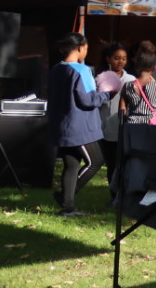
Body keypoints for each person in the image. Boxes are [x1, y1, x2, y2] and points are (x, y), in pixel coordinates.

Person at [46, 33, 111, 216]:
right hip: (79, 127)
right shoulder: (81, 70)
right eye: (87, 48)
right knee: (95, 161)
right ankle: (65, 196)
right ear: (81, 48)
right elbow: (87, 100)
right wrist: (107, 94)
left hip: (62, 124)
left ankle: (68, 207)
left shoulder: (57, 68)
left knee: (72, 164)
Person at [94, 42, 134, 180]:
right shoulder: (99, 79)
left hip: (125, 128)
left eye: (124, 58)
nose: (120, 61)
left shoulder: (131, 80)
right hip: (105, 130)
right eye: (117, 58)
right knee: (111, 164)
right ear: (108, 59)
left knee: (125, 164)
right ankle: (113, 196)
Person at [121, 43, 156, 124]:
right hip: (151, 128)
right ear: (154, 67)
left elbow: (122, 111)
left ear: (136, 66)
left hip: (132, 128)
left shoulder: (127, 86)